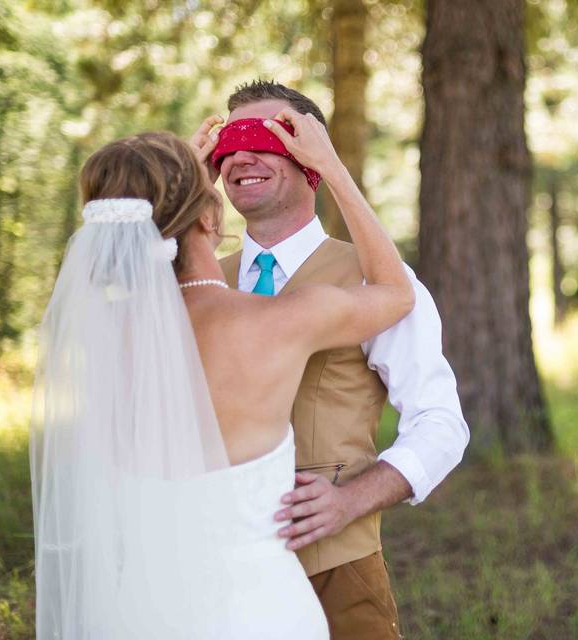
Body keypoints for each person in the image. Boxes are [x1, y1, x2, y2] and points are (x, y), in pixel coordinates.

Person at [30, 110, 414, 638]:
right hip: (256, 609)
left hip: (137, 609)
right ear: (210, 218)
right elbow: (396, 292)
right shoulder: (278, 322)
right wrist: (332, 168)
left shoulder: (101, 338)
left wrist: (175, 187)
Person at [190, 79, 470, 639]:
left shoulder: (376, 280)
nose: (241, 153)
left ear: (311, 156)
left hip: (335, 571)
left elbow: (441, 425)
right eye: (227, 143)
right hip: (213, 570)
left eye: (268, 137)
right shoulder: (197, 286)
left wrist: (350, 501)